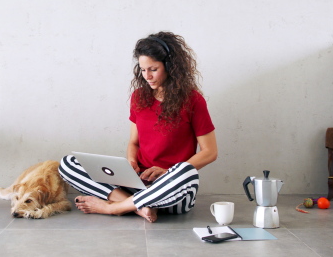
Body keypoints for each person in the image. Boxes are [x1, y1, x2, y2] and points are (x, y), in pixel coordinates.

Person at [58, 31, 218, 222]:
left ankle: (115, 208)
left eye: (153, 69)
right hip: (138, 184)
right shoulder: (139, 97)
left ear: (170, 67)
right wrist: (131, 163)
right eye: (142, 70)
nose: (147, 76)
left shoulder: (193, 100)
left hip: (171, 190)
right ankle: (139, 207)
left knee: (186, 173)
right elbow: (134, 142)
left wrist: (169, 172)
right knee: (68, 163)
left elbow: (210, 152)